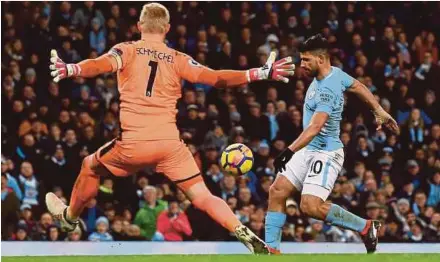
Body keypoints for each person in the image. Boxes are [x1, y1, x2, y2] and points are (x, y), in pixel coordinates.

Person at [45, 2, 295, 254]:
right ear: (167, 28)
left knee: (90, 165)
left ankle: (69, 218)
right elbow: (216, 78)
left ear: (139, 26)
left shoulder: (126, 50)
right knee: (203, 196)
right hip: (170, 145)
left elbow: (100, 64)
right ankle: (241, 229)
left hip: (134, 143)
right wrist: (258, 73)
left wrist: (72, 68)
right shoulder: (178, 59)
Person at [264, 34, 399, 254]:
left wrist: (288, 151)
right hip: (309, 147)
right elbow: (357, 86)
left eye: (307, 60)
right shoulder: (335, 74)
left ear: (321, 59)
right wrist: (379, 111)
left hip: (326, 152)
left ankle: (365, 226)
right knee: (278, 190)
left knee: (309, 206)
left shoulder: (328, 90)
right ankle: (271, 251)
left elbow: (315, 127)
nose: (302, 65)